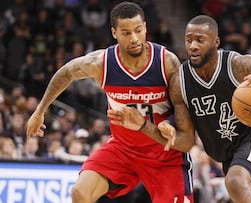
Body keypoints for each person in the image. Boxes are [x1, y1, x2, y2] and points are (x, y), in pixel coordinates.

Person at [26, 2, 193, 203]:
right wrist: (40, 110)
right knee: (80, 193)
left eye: (138, 31)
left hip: (163, 152)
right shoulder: (102, 63)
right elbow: (66, 72)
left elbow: (183, 106)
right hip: (123, 149)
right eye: (126, 33)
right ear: (114, 33)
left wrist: (170, 123)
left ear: (146, 27)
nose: (134, 38)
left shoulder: (167, 62)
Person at [159, 15, 251, 202]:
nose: (193, 45)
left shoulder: (240, 65)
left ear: (215, 42)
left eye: (200, 40)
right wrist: (152, 129)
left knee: (235, 182)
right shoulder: (180, 83)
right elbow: (186, 142)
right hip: (230, 155)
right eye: (189, 40)